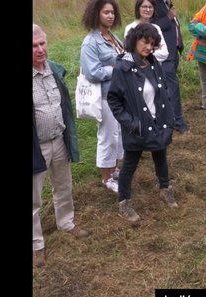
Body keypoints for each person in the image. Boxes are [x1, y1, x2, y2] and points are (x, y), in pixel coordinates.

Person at [107, 23, 178, 223]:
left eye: (153, 44)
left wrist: (170, 119)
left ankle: (165, 189)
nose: (148, 47)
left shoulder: (154, 63)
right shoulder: (123, 68)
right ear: (134, 40)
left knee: (161, 156)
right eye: (145, 42)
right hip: (137, 127)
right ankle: (124, 202)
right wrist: (130, 123)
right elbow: (113, 100)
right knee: (129, 165)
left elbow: (162, 94)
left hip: (157, 123)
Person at [33, 24, 89, 268]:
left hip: (59, 140)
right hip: (36, 147)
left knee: (64, 185)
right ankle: (36, 245)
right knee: (33, 199)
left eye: (42, 44)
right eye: (33, 46)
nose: (39, 49)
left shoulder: (54, 70)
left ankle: (66, 223)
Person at [80, 0, 125, 193]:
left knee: (118, 135)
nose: (110, 15)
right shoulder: (90, 42)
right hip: (105, 96)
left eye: (113, 12)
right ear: (96, 14)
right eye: (106, 12)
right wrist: (115, 70)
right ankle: (106, 178)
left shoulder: (113, 37)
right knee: (107, 136)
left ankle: (114, 170)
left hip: (119, 94)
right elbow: (92, 72)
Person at [153, 0, 190, 134]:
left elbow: (173, 25)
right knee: (172, 88)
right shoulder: (153, 3)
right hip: (165, 56)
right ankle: (177, 122)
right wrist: (169, 17)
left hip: (173, 53)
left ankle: (166, 119)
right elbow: (152, 25)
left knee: (167, 88)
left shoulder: (167, 3)